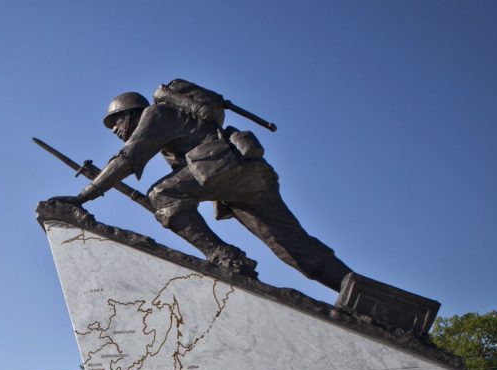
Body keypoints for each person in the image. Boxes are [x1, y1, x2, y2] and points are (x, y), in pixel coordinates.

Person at [47, 80, 352, 292]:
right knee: (291, 247)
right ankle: (355, 289)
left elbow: (127, 158)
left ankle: (226, 256)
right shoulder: (175, 126)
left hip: (227, 171)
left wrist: (83, 196)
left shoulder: (156, 115)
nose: (113, 130)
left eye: (115, 121)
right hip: (248, 175)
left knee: (162, 193)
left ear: (131, 113)